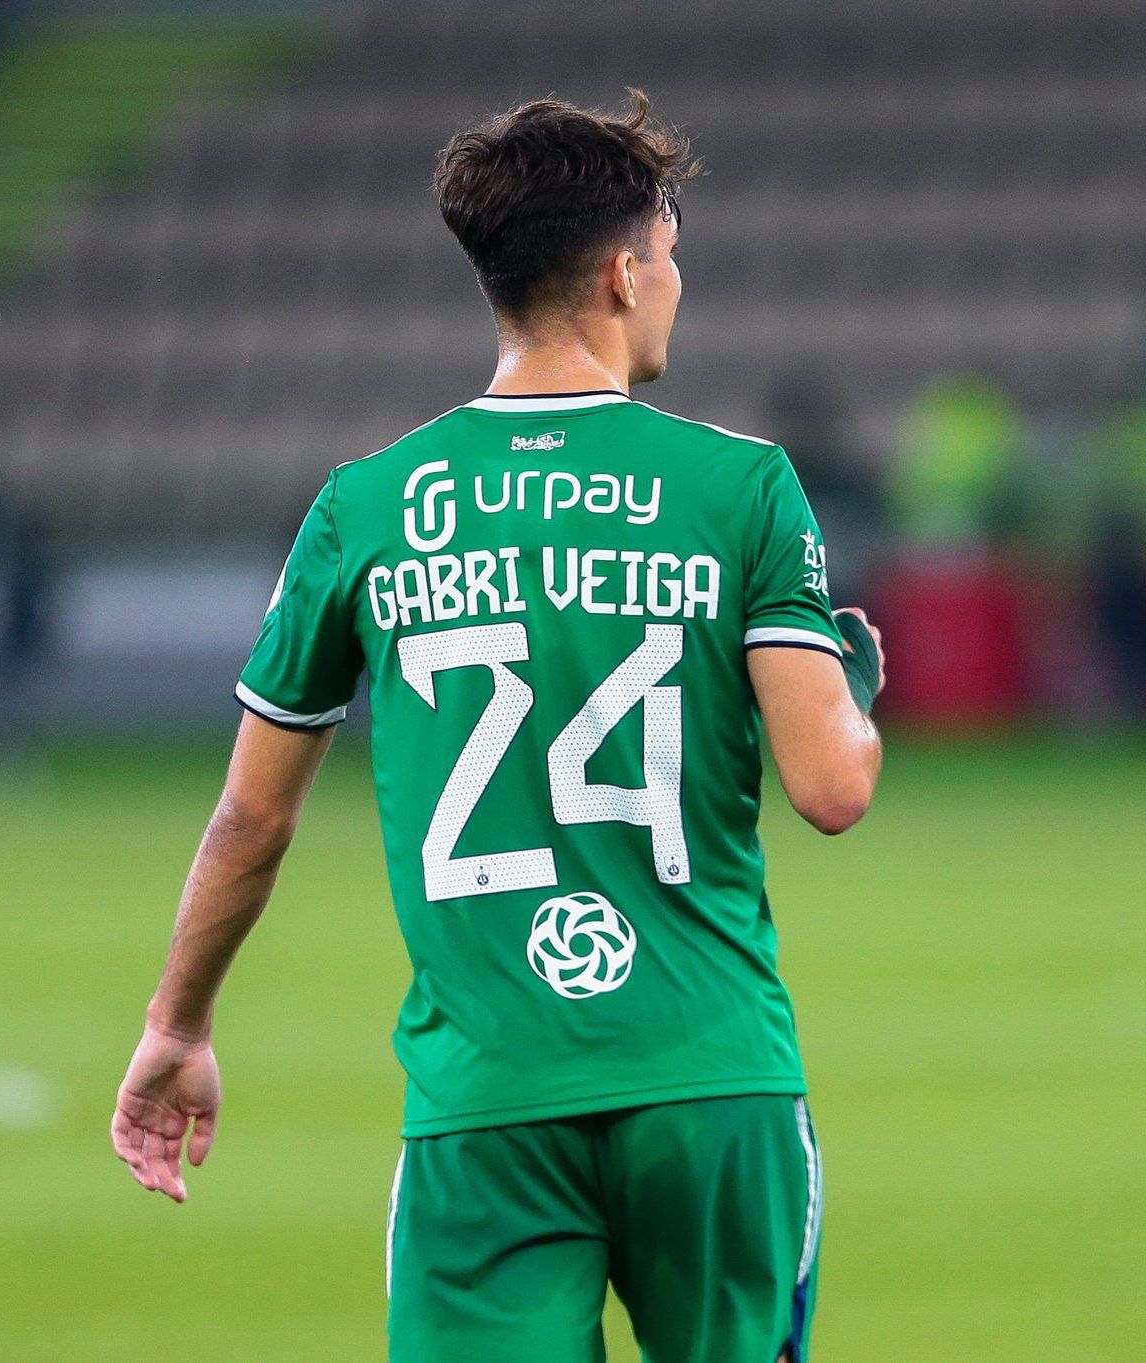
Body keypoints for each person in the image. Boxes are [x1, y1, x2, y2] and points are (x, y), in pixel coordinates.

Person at [110, 93, 885, 1363]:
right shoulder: (741, 487)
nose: (678, 286)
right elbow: (829, 786)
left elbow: (253, 814)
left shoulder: (365, 506)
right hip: (709, 1080)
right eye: (673, 256)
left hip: (486, 1104)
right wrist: (850, 680)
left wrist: (177, 1024)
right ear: (625, 272)